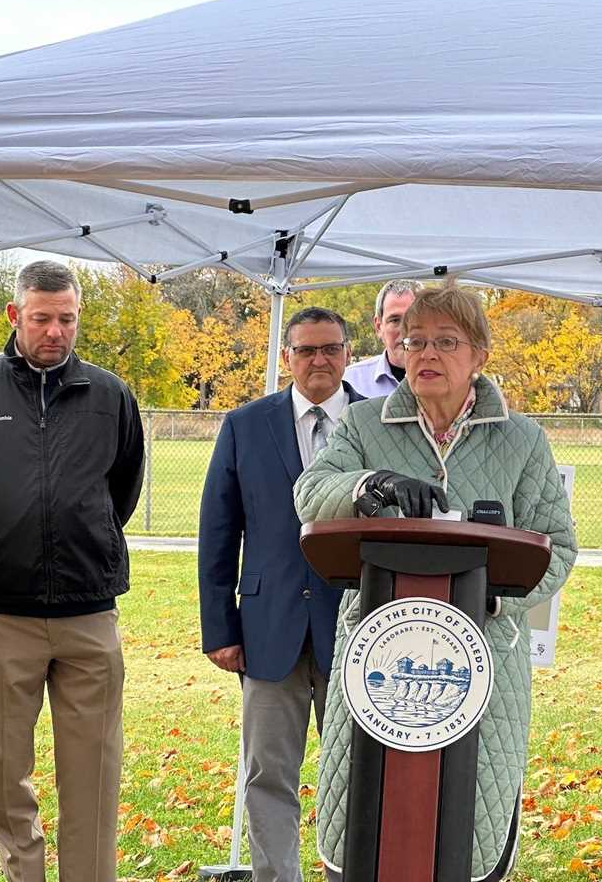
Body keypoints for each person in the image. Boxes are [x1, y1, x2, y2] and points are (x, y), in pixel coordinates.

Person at [294, 283, 576, 881]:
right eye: (414, 339)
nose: (425, 353)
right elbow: (309, 494)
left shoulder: (521, 439)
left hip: (484, 661)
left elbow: (560, 545)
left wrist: (491, 601)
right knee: (370, 827)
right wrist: (371, 485)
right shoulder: (365, 424)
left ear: (479, 355)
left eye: (445, 342)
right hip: (378, 658)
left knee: (464, 831)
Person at [0, 260, 144, 882]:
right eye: (42, 319)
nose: (55, 332)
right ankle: (24, 873)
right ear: (16, 316)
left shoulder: (110, 395)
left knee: (93, 771)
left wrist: (83, 538)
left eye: (67, 319)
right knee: (5, 768)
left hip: (87, 615)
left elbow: (121, 490)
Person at [198, 307, 364, 882]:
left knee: (358, 773)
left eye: (330, 348)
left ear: (348, 353)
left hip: (358, 627)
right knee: (268, 774)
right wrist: (219, 628)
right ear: (287, 358)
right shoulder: (245, 425)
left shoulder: (379, 424)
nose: (319, 360)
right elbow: (218, 530)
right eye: (306, 350)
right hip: (269, 630)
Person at [342, 279, 419, 398]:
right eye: (395, 320)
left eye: (414, 319)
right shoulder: (351, 382)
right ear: (378, 327)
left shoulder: (451, 378)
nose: (405, 330)